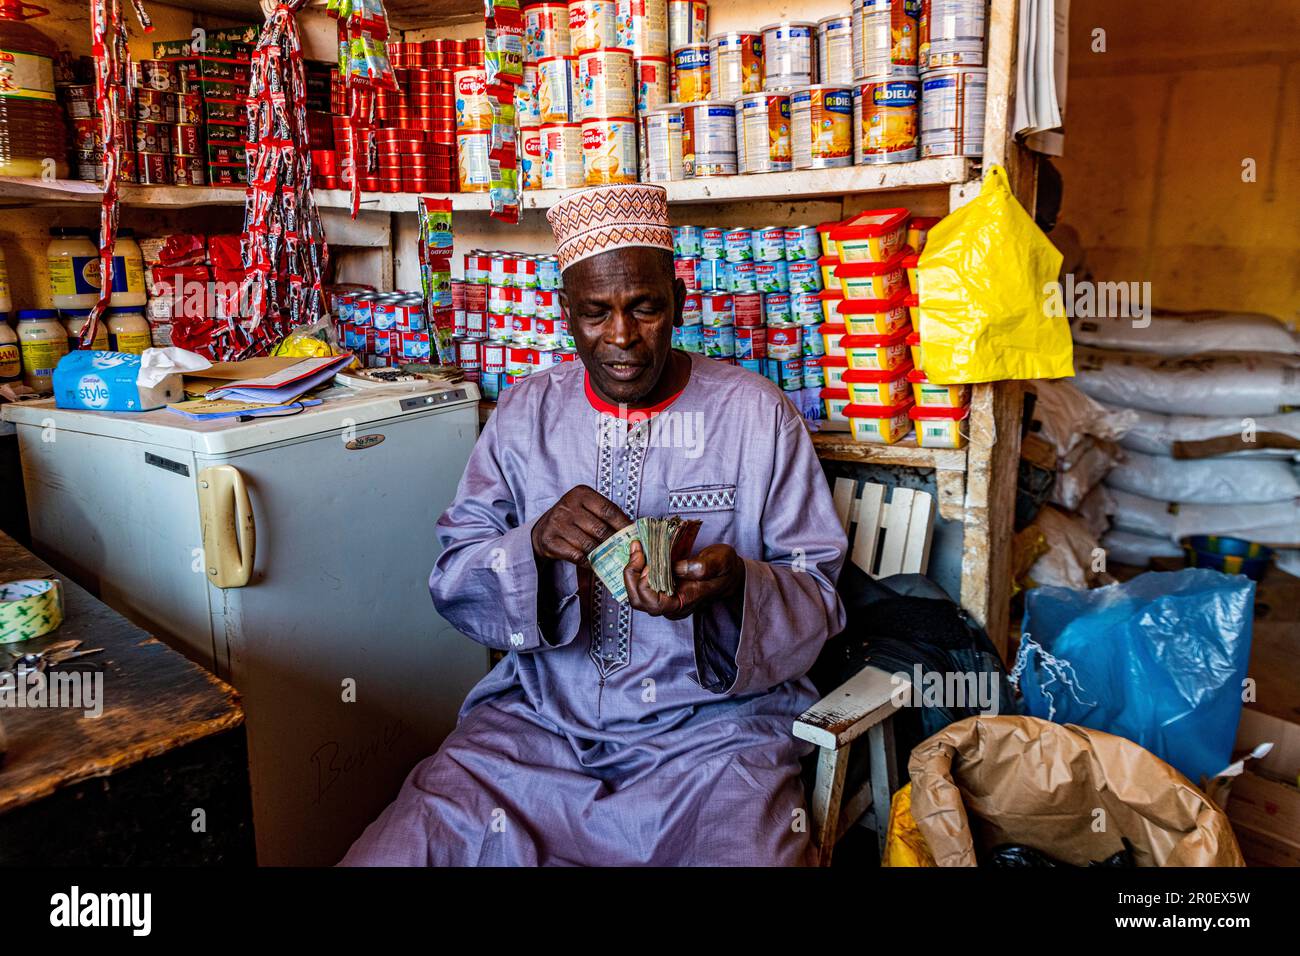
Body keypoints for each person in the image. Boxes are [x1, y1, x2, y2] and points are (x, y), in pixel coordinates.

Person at [340, 183, 847, 866]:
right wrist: (532, 549)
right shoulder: (524, 416)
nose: (622, 337)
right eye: (595, 313)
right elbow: (452, 579)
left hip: (713, 744)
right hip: (537, 730)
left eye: (644, 308)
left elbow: (819, 593)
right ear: (563, 312)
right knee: (399, 852)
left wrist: (738, 587)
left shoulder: (757, 416)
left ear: (680, 302)